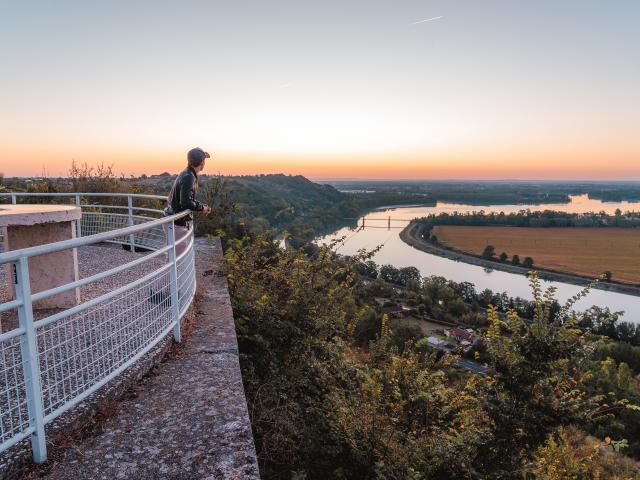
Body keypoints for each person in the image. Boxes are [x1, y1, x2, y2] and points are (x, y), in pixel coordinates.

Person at [164, 147, 212, 257]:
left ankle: (172, 274)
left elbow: (186, 198)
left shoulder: (186, 173)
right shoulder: (189, 177)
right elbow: (185, 202)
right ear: (201, 162)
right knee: (178, 258)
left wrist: (200, 205)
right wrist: (202, 208)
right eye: (204, 160)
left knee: (173, 256)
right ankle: (172, 275)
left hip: (172, 220)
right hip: (176, 223)